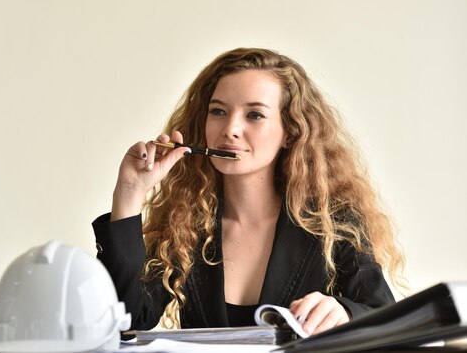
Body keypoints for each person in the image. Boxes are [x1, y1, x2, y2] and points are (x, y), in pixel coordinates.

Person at [92, 48, 404, 336]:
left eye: (254, 115)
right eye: (218, 111)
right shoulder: (184, 222)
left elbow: (387, 319)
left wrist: (345, 313)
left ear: (290, 132)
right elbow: (125, 322)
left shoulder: (332, 223)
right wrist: (129, 195)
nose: (230, 129)